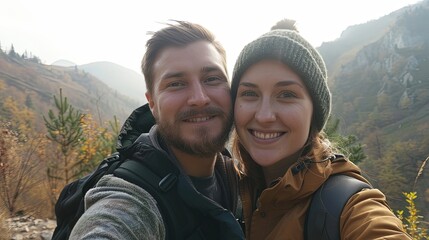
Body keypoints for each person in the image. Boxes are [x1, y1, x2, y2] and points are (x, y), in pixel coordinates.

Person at [230, 19, 411, 239]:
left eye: (287, 94)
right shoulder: (225, 192)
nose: (264, 115)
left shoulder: (348, 206)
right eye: (250, 93)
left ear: (314, 112)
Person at [69, 20, 244, 239]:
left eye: (212, 79)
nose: (199, 98)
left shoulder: (233, 176)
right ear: (152, 103)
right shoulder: (132, 198)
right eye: (176, 83)